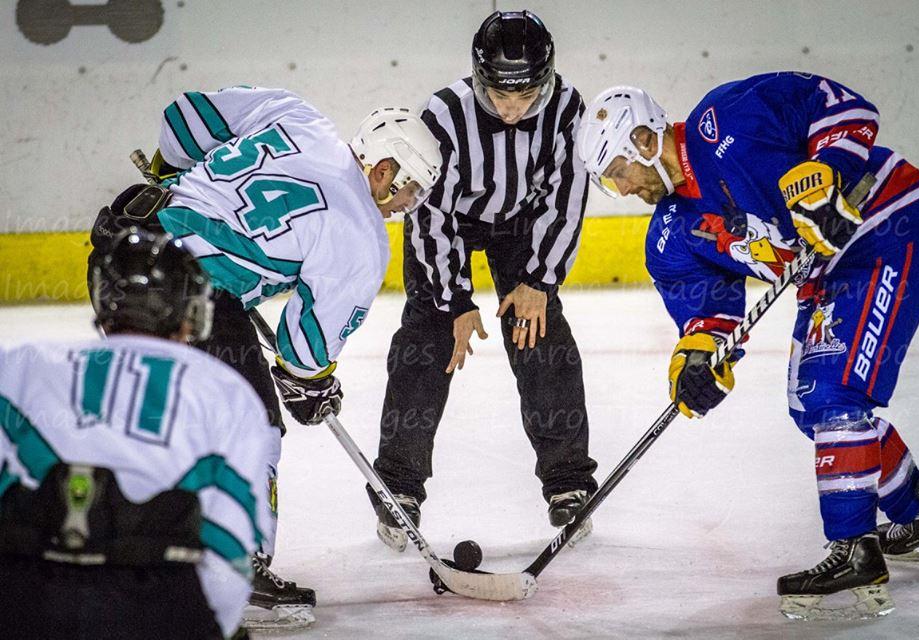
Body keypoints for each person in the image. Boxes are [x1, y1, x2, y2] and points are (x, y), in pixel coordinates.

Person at [577, 74, 919, 620]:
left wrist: (827, 173)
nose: (625, 188)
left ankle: (855, 549)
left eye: (619, 172)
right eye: (611, 184)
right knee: (811, 407)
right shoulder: (670, 235)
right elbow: (710, 315)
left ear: (642, 139)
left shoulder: (724, 119)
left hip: (889, 225)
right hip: (829, 271)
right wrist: (698, 359)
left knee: (834, 393)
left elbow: (845, 108)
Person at [87, 87, 442, 628]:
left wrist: (171, 173)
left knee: (158, 420)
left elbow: (185, 120)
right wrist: (312, 384)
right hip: (188, 293)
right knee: (252, 425)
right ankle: (236, 568)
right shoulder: (362, 236)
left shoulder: (299, 115)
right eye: (408, 190)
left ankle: (104, 543)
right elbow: (306, 347)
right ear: (384, 168)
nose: (403, 207)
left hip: (121, 250)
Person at [370, 10, 598, 552]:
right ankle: (399, 488)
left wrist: (539, 280)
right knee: (427, 342)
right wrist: (454, 302)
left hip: (523, 223)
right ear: (477, 79)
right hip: (452, 220)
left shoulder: (568, 109)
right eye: (499, 96)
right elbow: (429, 213)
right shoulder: (443, 115)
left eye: (526, 96)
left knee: (541, 336)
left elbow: (567, 197)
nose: (513, 110)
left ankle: (568, 482)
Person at [0, 228, 272, 639]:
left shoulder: (23, 364)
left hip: (27, 597)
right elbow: (229, 537)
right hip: (153, 605)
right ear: (190, 310)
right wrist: (215, 627)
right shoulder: (224, 391)